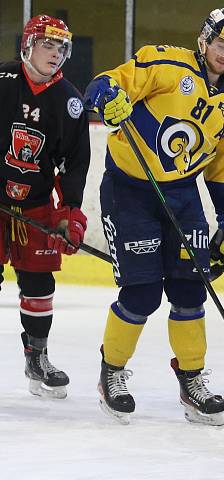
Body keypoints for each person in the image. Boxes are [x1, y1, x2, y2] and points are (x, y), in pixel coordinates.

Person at [82, 7, 224, 426]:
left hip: (182, 197)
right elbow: (104, 83)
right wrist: (108, 97)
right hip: (129, 193)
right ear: (205, 40)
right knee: (142, 294)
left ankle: (192, 378)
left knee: (190, 290)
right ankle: (112, 373)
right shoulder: (165, 63)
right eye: (221, 45)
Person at [0, 15, 90, 400]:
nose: (55, 54)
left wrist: (69, 213)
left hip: (35, 206)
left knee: (39, 286)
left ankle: (36, 358)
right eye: (47, 46)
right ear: (28, 45)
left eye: (60, 48)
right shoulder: (2, 81)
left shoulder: (69, 101)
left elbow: (73, 162)